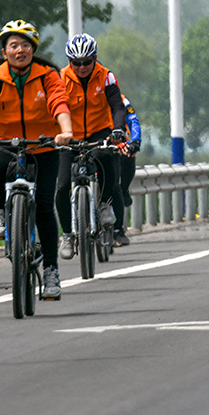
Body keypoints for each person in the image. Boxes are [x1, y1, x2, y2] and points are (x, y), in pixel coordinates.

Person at [0, 20, 73, 300]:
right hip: (6, 141)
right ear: (4, 51)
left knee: (45, 209)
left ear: (33, 49)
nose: (19, 50)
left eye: (25, 45)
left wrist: (66, 131)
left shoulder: (47, 75)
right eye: (13, 45)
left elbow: (59, 102)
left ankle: (51, 270)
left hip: (44, 145)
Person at [57, 32, 130, 253]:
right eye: (76, 63)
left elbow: (117, 106)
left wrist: (118, 129)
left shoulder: (106, 76)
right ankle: (67, 235)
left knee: (107, 159)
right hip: (69, 135)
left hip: (99, 131)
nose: (82, 67)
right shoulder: (59, 78)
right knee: (61, 186)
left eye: (87, 62)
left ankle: (105, 204)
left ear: (95, 58)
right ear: (70, 61)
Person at [117, 95, 143, 244]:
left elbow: (133, 119)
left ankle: (124, 188)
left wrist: (135, 141)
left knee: (128, 155)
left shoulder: (120, 100)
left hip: (118, 143)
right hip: (89, 142)